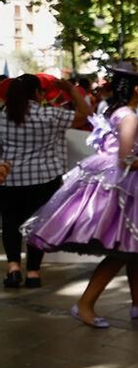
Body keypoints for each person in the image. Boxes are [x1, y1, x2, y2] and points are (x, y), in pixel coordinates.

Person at [25, 61, 138, 326]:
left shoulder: (119, 112)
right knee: (121, 251)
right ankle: (85, 304)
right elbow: (126, 160)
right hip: (124, 185)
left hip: (121, 183)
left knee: (135, 249)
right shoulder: (129, 117)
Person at [0, 75, 91, 288]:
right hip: (44, 179)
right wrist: (72, 90)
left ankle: (13, 268)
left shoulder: (2, 117)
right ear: (37, 93)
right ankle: (33, 272)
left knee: (10, 224)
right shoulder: (50, 114)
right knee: (37, 225)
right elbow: (86, 116)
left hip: (9, 179)